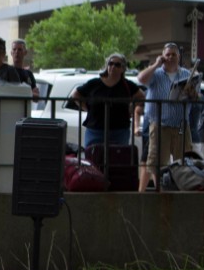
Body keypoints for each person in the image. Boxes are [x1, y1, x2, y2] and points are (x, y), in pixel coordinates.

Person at [137, 42, 195, 192]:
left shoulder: (186, 74)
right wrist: (156, 64)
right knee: (157, 161)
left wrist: (192, 94)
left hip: (181, 124)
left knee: (183, 159)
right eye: (167, 54)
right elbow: (141, 79)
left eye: (173, 54)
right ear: (163, 56)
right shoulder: (155, 74)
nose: (170, 57)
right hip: (160, 124)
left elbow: (197, 96)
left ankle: (181, 189)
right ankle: (160, 191)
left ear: (179, 56)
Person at [68, 53, 144, 147]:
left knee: (117, 158)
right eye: (110, 63)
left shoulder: (128, 85)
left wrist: (132, 108)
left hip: (120, 130)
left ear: (123, 68)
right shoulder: (94, 83)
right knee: (93, 158)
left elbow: (141, 96)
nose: (113, 66)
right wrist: (87, 108)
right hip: (95, 129)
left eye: (117, 65)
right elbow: (75, 94)